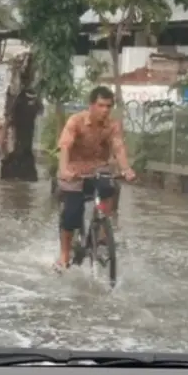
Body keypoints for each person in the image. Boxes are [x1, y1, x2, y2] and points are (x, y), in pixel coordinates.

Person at [54, 85, 136, 272]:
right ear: (91, 105)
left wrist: (126, 169)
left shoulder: (113, 125)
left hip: (99, 169)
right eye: (101, 105)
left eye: (108, 106)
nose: (105, 110)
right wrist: (64, 170)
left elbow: (118, 148)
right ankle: (64, 255)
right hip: (75, 172)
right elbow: (65, 146)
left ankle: (101, 229)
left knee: (110, 187)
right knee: (71, 216)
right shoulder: (75, 121)